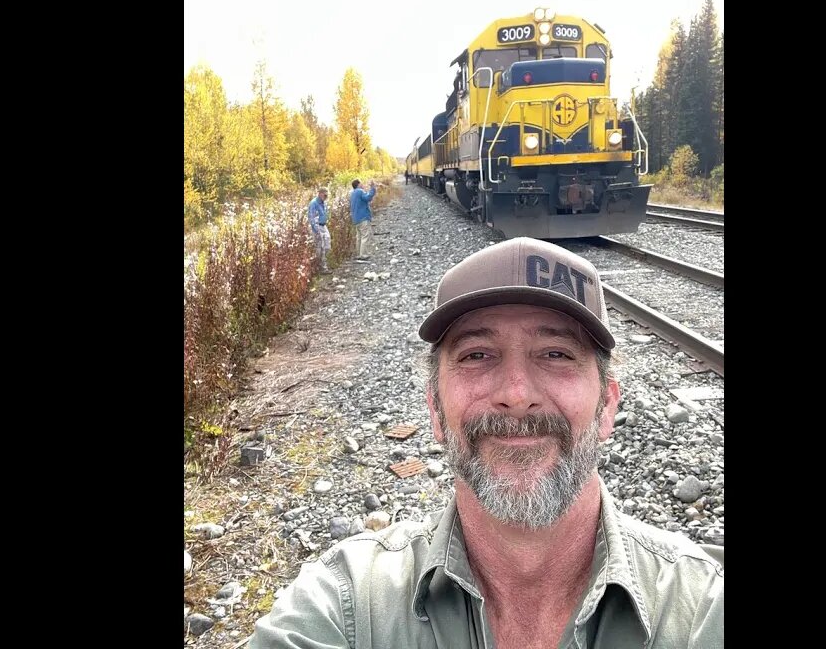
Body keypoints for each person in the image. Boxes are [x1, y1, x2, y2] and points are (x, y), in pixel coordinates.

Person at [249, 237, 724, 648]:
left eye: (555, 354)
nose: (516, 395)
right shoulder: (345, 602)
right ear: (435, 408)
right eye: (478, 355)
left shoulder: (703, 609)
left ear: (607, 406)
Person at [349, 178, 377, 262]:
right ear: (358, 185)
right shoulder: (360, 191)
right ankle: (363, 254)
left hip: (356, 218)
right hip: (363, 217)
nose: (362, 185)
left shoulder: (353, 193)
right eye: (361, 183)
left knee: (359, 237)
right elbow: (368, 197)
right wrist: (373, 188)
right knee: (365, 235)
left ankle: (359, 253)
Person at [307, 187, 330, 273]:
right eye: (324, 194)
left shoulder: (323, 203)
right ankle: (322, 268)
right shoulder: (314, 203)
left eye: (327, 194)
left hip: (324, 226)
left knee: (327, 246)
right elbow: (311, 217)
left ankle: (322, 265)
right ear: (320, 193)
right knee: (321, 248)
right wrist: (317, 231)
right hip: (317, 227)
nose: (326, 196)